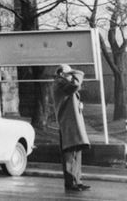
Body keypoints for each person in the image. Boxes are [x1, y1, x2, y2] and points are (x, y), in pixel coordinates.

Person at [52, 63, 90, 193]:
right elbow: (76, 84)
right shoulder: (60, 83)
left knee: (76, 153)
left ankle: (77, 181)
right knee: (69, 154)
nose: (71, 76)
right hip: (67, 123)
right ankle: (71, 182)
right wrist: (75, 72)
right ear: (62, 74)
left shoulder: (63, 84)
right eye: (69, 74)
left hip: (72, 123)